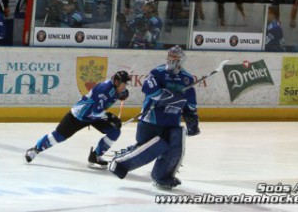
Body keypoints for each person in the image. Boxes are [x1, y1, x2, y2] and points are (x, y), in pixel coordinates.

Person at [109, 46, 199, 189]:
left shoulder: (187, 79)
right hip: (152, 119)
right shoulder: (157, 73)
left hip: (172, 122)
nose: (171, 59)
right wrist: (172, 96)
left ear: (181, 59)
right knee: (151, 148)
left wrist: (192, 118)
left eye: (175, 57)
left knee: (174, 149)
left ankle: (162, 177)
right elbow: (150, 90)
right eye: (169, 56)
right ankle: (118, 163)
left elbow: (190, 102)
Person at [24, 71, 131, 168]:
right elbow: (96, 111)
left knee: (114, 131)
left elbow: (103, 105)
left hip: (94, 116)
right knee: (58, 136)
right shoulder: (103, 90)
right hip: (79, 115)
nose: (125, 87)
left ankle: (96, 156)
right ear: (117, 82)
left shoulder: (113, 87)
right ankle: (35, 150)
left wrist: (118, 95)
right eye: (124, 84)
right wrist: (110, 117)